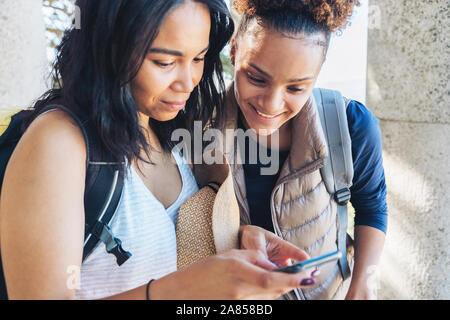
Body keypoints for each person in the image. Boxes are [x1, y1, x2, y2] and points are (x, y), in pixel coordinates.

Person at [0, 0, 319, 300]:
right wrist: (183, 289)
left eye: (198, 58)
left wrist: (240, 238)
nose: (187, 81)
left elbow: (166, 238)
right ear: (110, 47)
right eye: (165, 62)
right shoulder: (59, 143)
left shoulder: (172, 129)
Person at [222, 0, 388, 300]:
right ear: (234, 51)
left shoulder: (350, 125)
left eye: (296, 88)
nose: (270, 105)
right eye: (256, 79)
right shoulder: (199, 122)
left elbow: (372, 208)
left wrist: (362, 283)